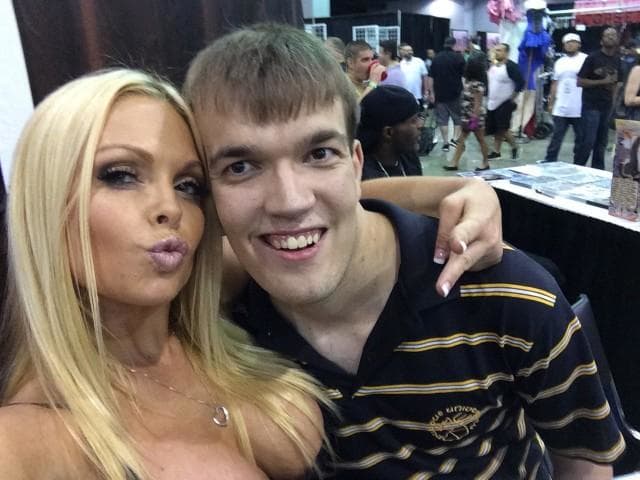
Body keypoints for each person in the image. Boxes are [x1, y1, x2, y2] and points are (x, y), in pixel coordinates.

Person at [185, 23, 625, 479]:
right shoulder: (207, 315)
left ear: (356, 163)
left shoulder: (503, 293)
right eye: (241, 166)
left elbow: (585, 463)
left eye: (318, 154)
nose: (290, 201)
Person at [0, 69, 329, 480]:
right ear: (45, 203)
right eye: (120, 175)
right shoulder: (20, 444)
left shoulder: (244, 323)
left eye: (188, 185)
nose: (170, 208)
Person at [576, 27, 623, 170]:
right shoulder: (592, 58)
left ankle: (598, 171)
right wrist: (602, 81)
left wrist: (613, 102)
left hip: (606, 106)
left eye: (613, 35)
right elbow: (580, 81)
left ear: (617, 40)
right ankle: (577, 168)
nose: (611, 37)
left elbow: (618, 83)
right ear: (601, 40)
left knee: (601, 142)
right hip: (591, 105)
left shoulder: (617, 59)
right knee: (588, 141)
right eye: (607, 35)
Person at [356, 85, 423, 179]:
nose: (420, 125)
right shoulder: (362, 175)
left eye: (419, 117)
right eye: (413, 121)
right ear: (388, 133)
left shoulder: (409, 158)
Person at [542, 33, 587, 163]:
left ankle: (578, 163)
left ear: (579, 44)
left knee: (581, 139)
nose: (570, 44)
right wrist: (551, 103)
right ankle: (550, 160)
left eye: (573, 41)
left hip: (580, 107)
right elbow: (554, 83)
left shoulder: (586, 59)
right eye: (567, 42)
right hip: (561, 107)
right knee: (556, 137)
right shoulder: (559, 62)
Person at [444, 57, 490, 171]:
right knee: (462, 139)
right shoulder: (470, 83)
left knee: (480, 139)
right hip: (467, 115)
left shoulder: (477, 85)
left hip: (474, 117)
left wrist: (474, 119)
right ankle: (454, 162)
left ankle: (485, 162)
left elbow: (478, 104)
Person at [486, 42, 524, 160]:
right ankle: (497, 151)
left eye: (500, 50)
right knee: (496, 129)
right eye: (496, 50)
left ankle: (514, 146)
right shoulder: (493, 66)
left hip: (505, 102)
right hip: (492, 102)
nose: (497, 52)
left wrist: (512, 98)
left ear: (506, 53)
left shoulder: (511, 66)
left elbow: (521, 82)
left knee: (502, 128)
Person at [427, 37, 465, 152]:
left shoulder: (436, 58)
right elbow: (464, 77)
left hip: (439, 93)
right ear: (454, 45)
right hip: (455, 93)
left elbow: (430, 77)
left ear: (444, 44)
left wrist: (431, 93)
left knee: (442, 119)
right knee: (457, 118)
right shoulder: (459, 57)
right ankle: (455, 139)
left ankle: (445, 143)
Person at [399, 43, 429, 108]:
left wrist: (426, 91)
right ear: (402, 52)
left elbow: (425, 77)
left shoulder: (419, 61)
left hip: (418, 95)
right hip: (405, 95)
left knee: (419, 112)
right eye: (407, 50)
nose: (410, 52)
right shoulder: (400, 64)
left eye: (411, 50)